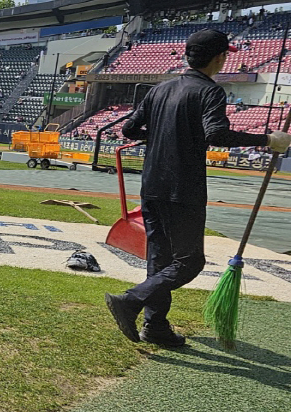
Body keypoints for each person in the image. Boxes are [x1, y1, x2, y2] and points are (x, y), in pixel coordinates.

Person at [105, 29, 291, 347]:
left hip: (152, 186)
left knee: (160, 259)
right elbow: (216, 134)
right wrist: (267, 140)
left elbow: (129, 128)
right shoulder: (210, 92)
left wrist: (166, 133)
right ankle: (131, 301)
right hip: (183, 189)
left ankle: (156, 326)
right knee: (190, 262)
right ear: (219, 58)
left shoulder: (160, 90)